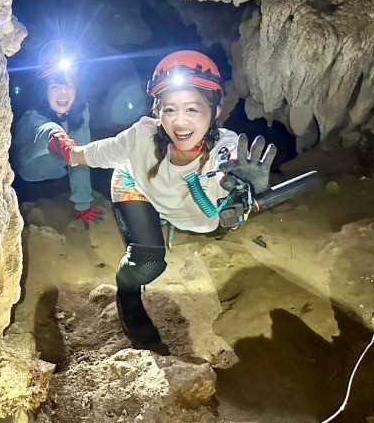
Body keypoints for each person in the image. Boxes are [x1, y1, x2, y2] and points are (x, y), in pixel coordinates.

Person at [47, 50, 276, 344]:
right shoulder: (140, 139)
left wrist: (245, 186)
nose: (180, 122)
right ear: (158, 111)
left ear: (215, 111)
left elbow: (227, 164)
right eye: (170, 109)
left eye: (192, 109)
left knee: (205, 224)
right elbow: (94, 154)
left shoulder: (227, 148)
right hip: (135, 185)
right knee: (149, 262)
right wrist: (67, 151)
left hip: (181, 206)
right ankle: (127, 294)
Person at [12, 41, 105, 225]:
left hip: (60, 182)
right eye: (55, 86)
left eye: (69, 85)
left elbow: (80, 159)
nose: (63, 93)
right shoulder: (29, 117)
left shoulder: (80, 111)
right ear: (43, 89)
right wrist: (60, 140)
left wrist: (83, 203)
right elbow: (43, 131)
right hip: (27, 186)